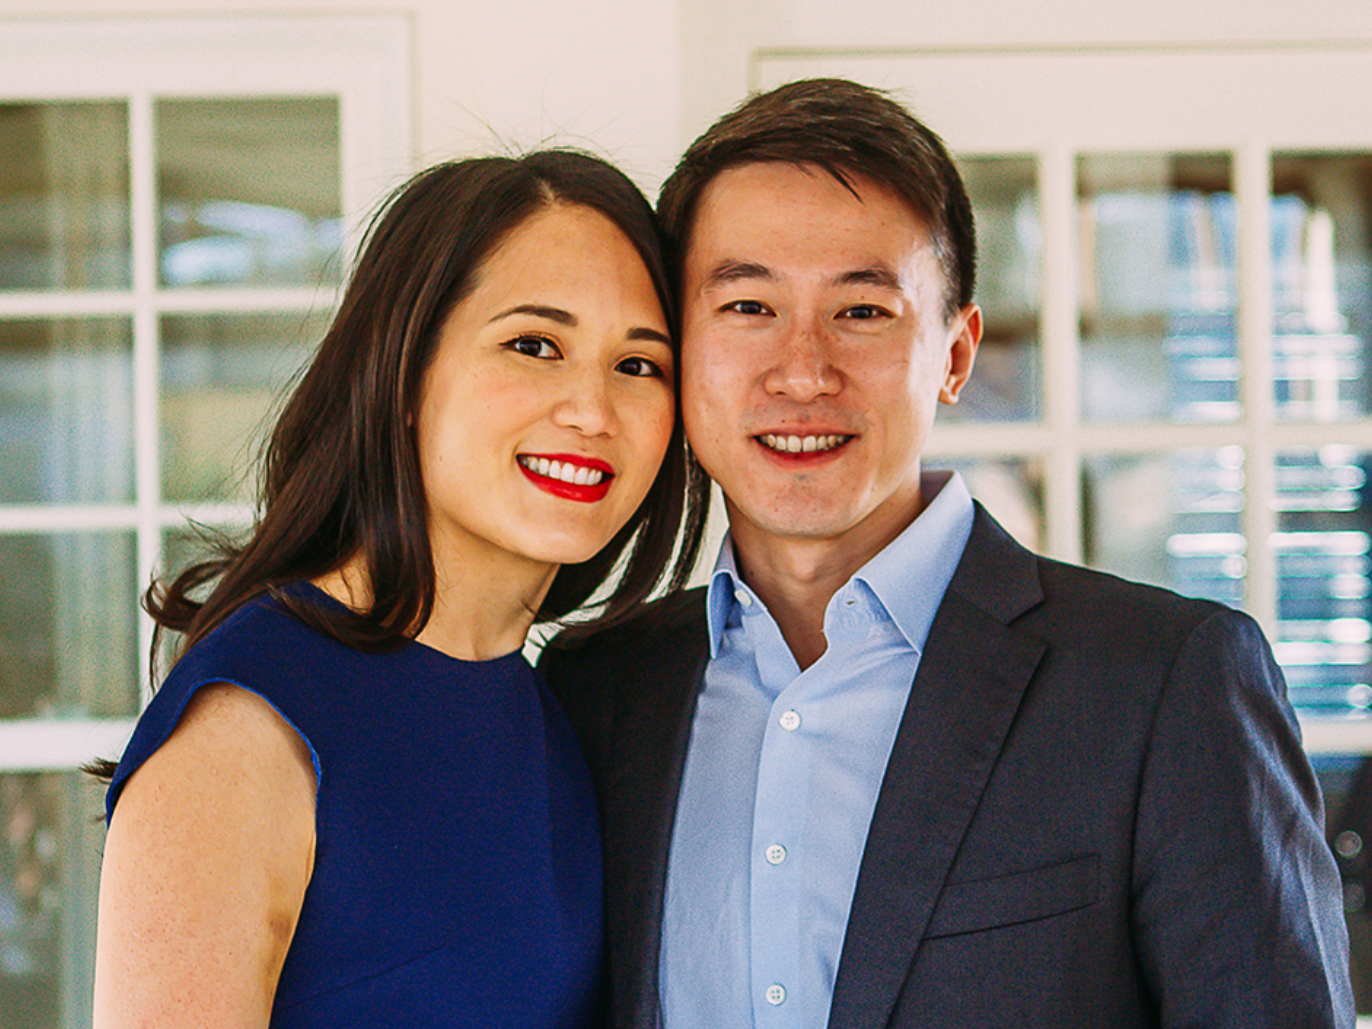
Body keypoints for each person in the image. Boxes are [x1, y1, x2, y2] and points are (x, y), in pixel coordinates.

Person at [540, 79, 1355, 1028]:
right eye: (749, 307)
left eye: (864, 312)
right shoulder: (596, 690)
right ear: (681, 346)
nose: (803, 370)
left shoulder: (1166, 683)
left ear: (957, 354)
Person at [91, 149, 708, 1028]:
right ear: (404, 373)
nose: (592, 409)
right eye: (534, 345)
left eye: (639, 364)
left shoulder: (559, 712)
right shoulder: (251, 722)